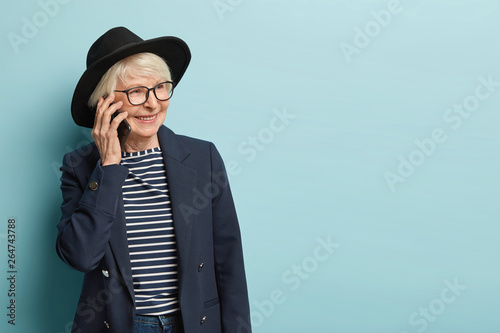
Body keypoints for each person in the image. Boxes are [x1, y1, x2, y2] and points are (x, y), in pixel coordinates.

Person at [56, 27, 251, 333]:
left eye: (161, 87)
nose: (153, 103)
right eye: (136, 91)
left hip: (194, 324)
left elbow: (229, 262)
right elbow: (81, 256)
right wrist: (109, 166)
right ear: (105, 103)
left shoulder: (203, 158)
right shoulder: (80, 167)